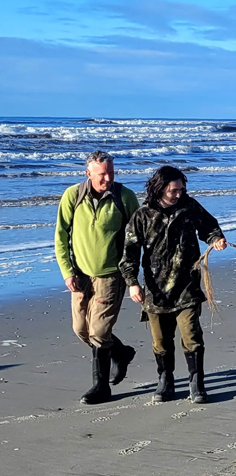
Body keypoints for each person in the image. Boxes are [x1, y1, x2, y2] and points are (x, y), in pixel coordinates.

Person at [120, 165, 227, 403]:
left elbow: (209, 226)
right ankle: (165, 381)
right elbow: (129, 253)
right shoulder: (142, 216)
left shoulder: (189, 207)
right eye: (173, 190)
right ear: (160, 188)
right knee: (161, 341)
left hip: (187, 285)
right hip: (155, 290)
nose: (179, 194)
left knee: (191, 335)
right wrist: (132, 283)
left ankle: (196, 384)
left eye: (181, 189)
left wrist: (216, 238)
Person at [54, 150, 141, 404]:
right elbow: (61, 236)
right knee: (81, 329)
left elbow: (137, 238)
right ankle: (121, 353)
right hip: (80, 275)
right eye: (102, 174)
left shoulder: (124, 197)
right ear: (88, 173)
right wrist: (67, 271)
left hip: (111, 276)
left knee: (100, 331)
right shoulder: (73, 195)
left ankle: (101, 387)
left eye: (111, 173)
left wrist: (133, 277)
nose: (107, 178)